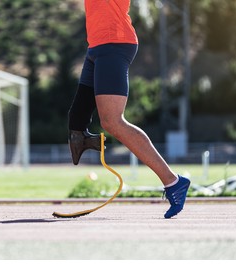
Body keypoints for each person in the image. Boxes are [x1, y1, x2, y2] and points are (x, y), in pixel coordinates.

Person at [67, 0, 190, 219]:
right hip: (96, 45)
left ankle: (174, 182)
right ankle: (86, 140)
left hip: (114, 42)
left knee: (113, 121)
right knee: (77, 119)